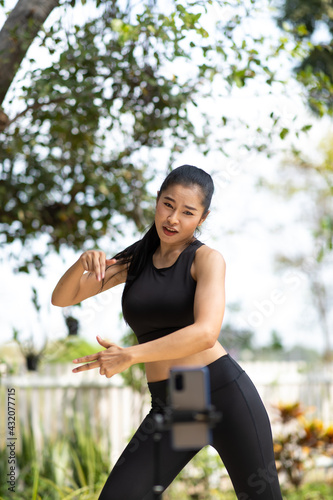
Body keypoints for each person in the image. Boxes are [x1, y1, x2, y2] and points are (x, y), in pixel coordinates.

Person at [51, 164, 283, 500]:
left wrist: (129, 355)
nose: (173, 219)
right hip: (175, 401)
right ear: (157, 201)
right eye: (168, 205)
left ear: (202, 218)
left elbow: (205, 333)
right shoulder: (137, 259)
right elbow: (63, 297)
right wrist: (82, 262)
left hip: (222, 392)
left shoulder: (207, 259)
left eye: (188, 212)